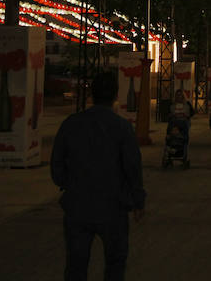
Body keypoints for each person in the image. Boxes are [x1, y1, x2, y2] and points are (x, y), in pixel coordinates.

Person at [51, 71, 145, 281]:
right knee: (115, 264)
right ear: (115, 95)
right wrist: (138, 200)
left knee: (76, 265)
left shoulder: (71, 124)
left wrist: (69, 184)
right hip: (113, 206)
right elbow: (133, 167)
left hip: (78, 205)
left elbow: (56, 165)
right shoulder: (122, 128)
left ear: (92, 95)